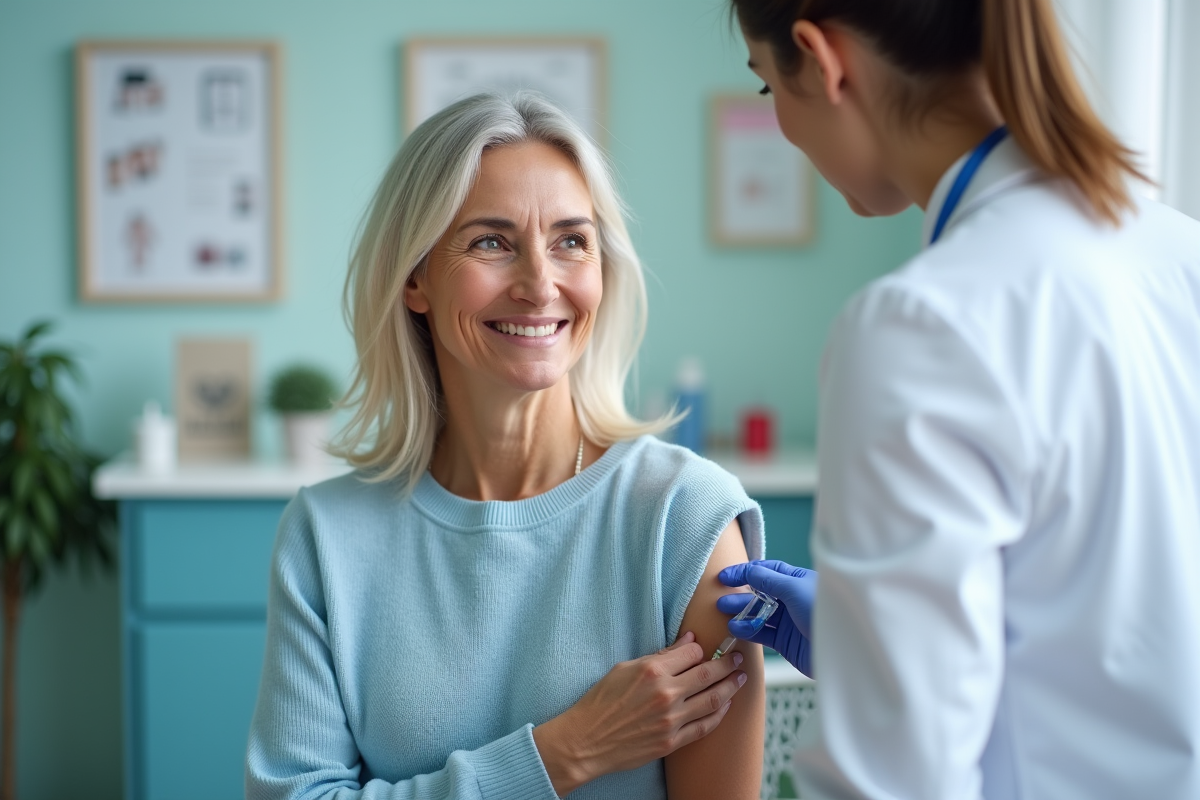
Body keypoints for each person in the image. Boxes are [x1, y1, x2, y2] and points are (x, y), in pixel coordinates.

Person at [716, 0, 1200, 798]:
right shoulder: (1180, 252)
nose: (785, 132)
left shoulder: (922, 325)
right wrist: (868, 645)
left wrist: (879, 681)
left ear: (822, 58)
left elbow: (892, 784)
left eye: (769, 90)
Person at [245, 92, 767, 800]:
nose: (540, 283)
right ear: (415, 277)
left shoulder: (687, 521)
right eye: (491, 241)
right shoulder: (326, 537)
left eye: (571, 241)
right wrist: (560, 755)